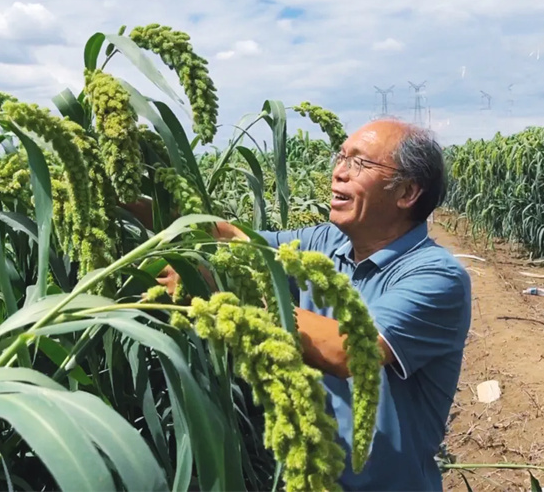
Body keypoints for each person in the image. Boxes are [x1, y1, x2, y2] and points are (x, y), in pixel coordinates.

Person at [146, 119, 472, 491]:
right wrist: (134, 199)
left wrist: (227, 290)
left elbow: (348, 350)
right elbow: (231, 238)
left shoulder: (437, 277)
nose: (339, 172)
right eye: (340, 157)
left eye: (359, 163)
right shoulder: (326, 243)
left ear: (407, 192)